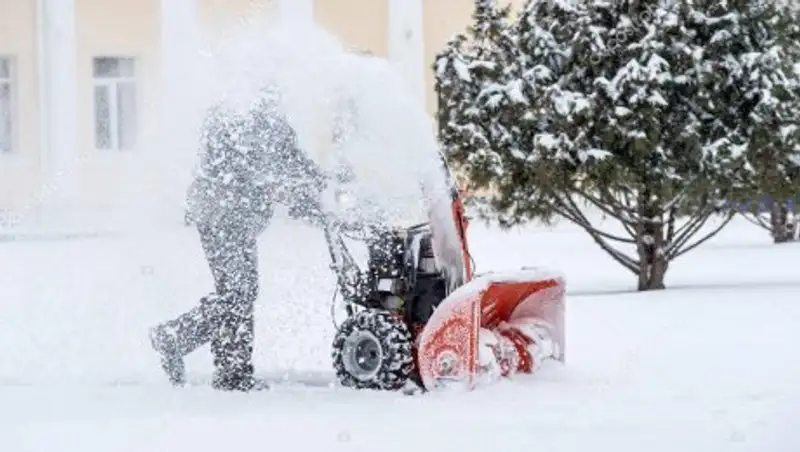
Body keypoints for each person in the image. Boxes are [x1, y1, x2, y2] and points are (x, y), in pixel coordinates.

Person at [148, 88, 326, 391]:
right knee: (237, 293)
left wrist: (322, 183)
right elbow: (240, 165)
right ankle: (175, 338)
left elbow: (291, 159)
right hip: (220, 214)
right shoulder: (231, 115)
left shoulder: (269, 119)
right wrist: (285, 186)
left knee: (241, 291)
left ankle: (232, 371)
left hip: (239, 218)